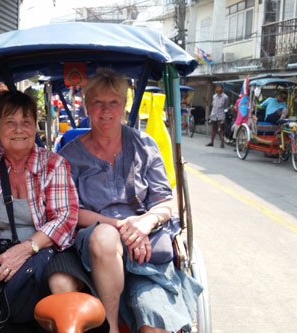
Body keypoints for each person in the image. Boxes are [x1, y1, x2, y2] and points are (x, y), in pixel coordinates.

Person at [59, 68, 203, 333]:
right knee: (105, 237)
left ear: (124, 105)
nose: (106, 110)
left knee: (154, 319)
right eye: (98, 102)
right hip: (93, 247)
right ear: (87, 106)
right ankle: (110, 328)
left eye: (113, 102)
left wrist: (145, 224)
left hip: (144, 249)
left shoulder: (144, 145)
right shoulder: (70, 155)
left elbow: (164, 202)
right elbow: (69, 211)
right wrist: (120, 225)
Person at [0, 91, 88, 332]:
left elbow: (65, 218)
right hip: (3, 255)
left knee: (56, 286)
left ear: (35, 128)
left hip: (51, 251)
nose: (19, 130)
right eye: (10, 123)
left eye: (26, 123)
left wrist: (25, 249)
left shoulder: (53, 163)